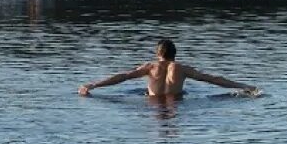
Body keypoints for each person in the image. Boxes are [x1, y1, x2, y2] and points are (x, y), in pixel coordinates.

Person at [78, 39, 258, 97]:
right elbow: (212, 79)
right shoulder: (181, 68)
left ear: (158, 54)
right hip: (176, 104)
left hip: (152, 105)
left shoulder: (150, 67)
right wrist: (243, 86)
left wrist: (93, 85)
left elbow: (123, 76)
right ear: (175, 54)